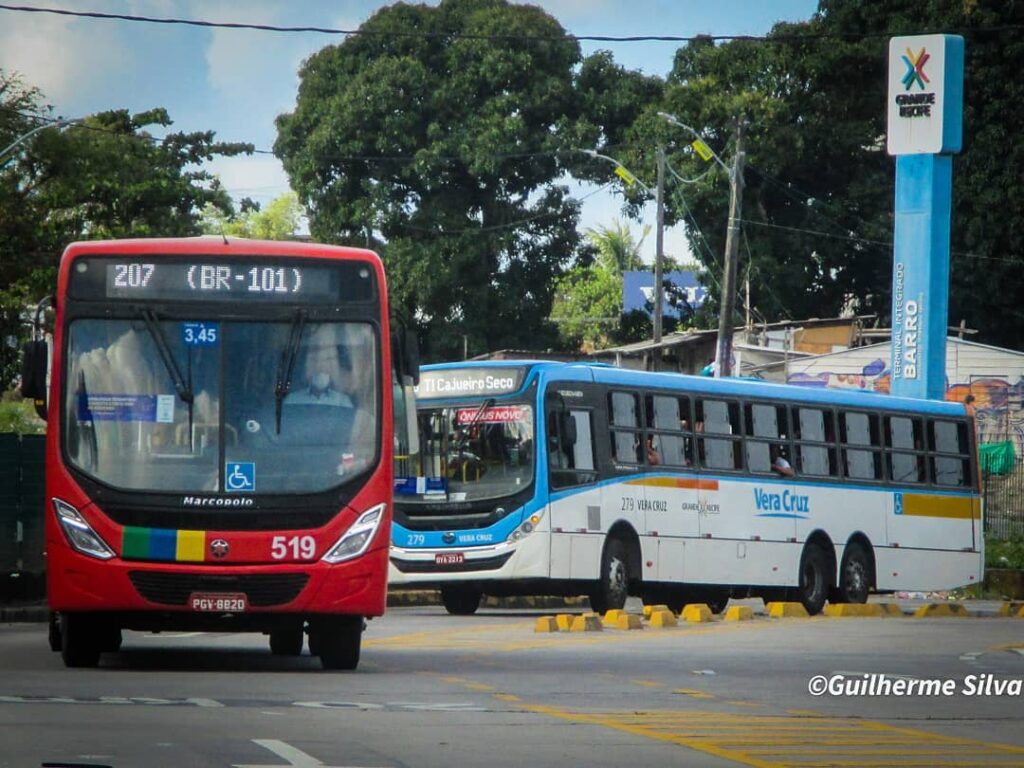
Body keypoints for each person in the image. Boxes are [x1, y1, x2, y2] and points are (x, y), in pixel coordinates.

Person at [285, 327, 353, 407]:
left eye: (328, 358)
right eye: (314, 358)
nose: (320, 366)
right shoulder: (292, 400)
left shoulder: (343, 402)